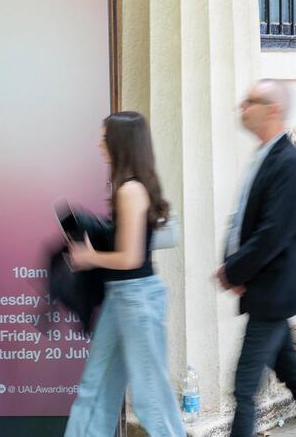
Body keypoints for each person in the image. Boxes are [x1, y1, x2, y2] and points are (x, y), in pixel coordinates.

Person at [218, 80, 296, 437]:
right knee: (295, 376)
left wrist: (234, 268)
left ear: (272, 110)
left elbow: (273, 232)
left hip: (274, 291)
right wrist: (234, 264)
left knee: (244, 385)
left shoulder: (289, 164)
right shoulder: (265, 155)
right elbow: (244, 219)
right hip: (265, 288)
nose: (242, 107)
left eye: (250, 101)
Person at [64, 112, 183, 437]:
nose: (99, 144)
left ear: (120, 143)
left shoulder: (131, 191)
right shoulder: (130, 187)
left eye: (104, 138)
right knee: (96, 388)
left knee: (149, 398)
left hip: (136, 298)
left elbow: (130, 258)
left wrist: (90, 257)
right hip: (124, 298)